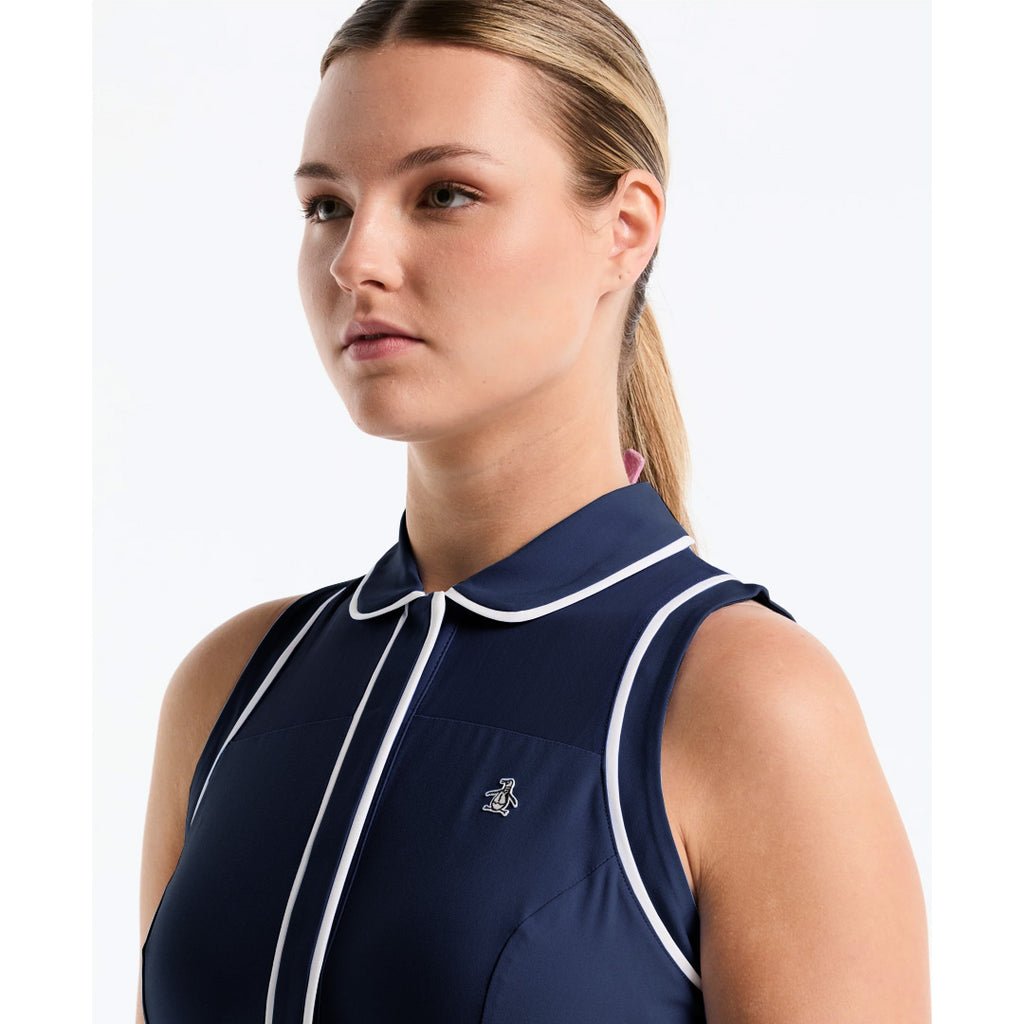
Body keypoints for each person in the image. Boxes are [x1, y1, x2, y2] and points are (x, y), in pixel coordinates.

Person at [137, 1, 930, 1021]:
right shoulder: (233, 685)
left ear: (624, 229)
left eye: (445, 194)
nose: (356, 259)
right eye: (327, 204)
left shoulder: (743, 701)